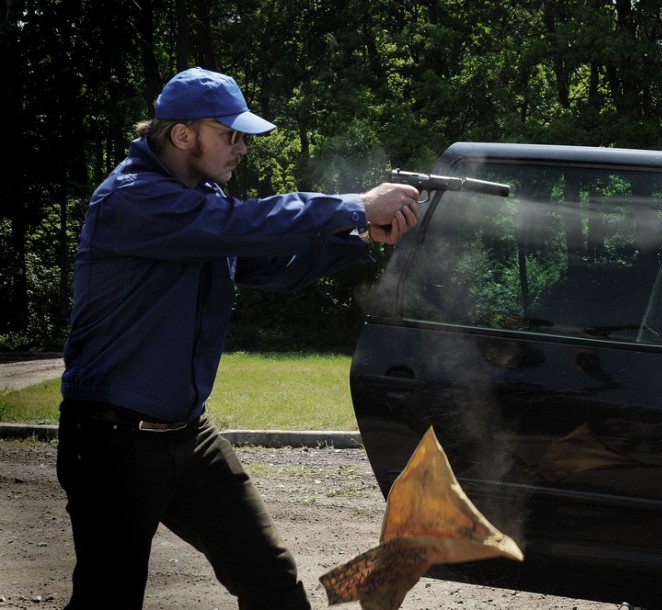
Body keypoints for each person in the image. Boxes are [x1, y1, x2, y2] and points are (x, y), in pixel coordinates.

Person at [55, 67, 420, 610]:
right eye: (230, 134)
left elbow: (276, 268)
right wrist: (355, 205)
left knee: (269, 579)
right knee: (109, 598)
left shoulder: (202, 207)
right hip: (113, 441)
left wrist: (358, 233)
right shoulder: (133, 201)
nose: (242, 147)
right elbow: (249, 224)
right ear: (182, 136)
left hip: (188, 437)